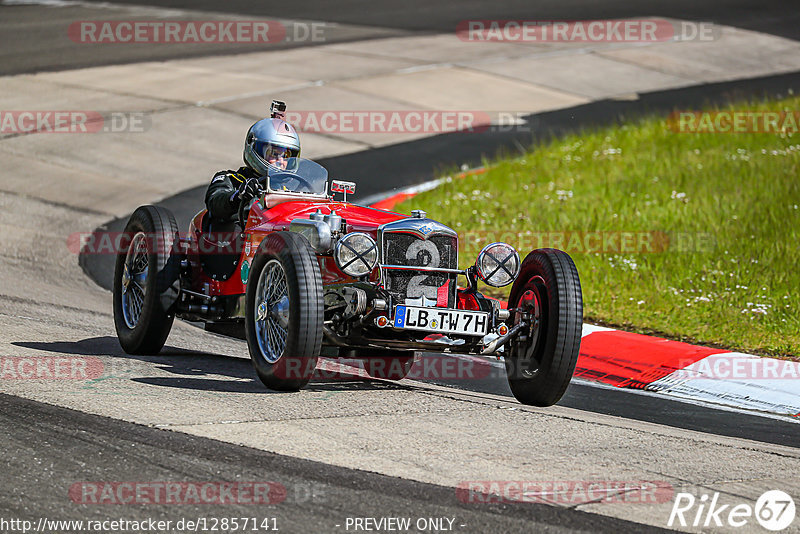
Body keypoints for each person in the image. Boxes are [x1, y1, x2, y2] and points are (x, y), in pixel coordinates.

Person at [204, 100, 301, 223]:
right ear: (255, 149)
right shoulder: (230, 179)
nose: (281, 161)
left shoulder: (289, 191)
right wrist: (238, 196)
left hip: (277, 238)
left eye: (286, 156)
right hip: (234, 239)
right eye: (274, 154)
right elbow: (216, 202)